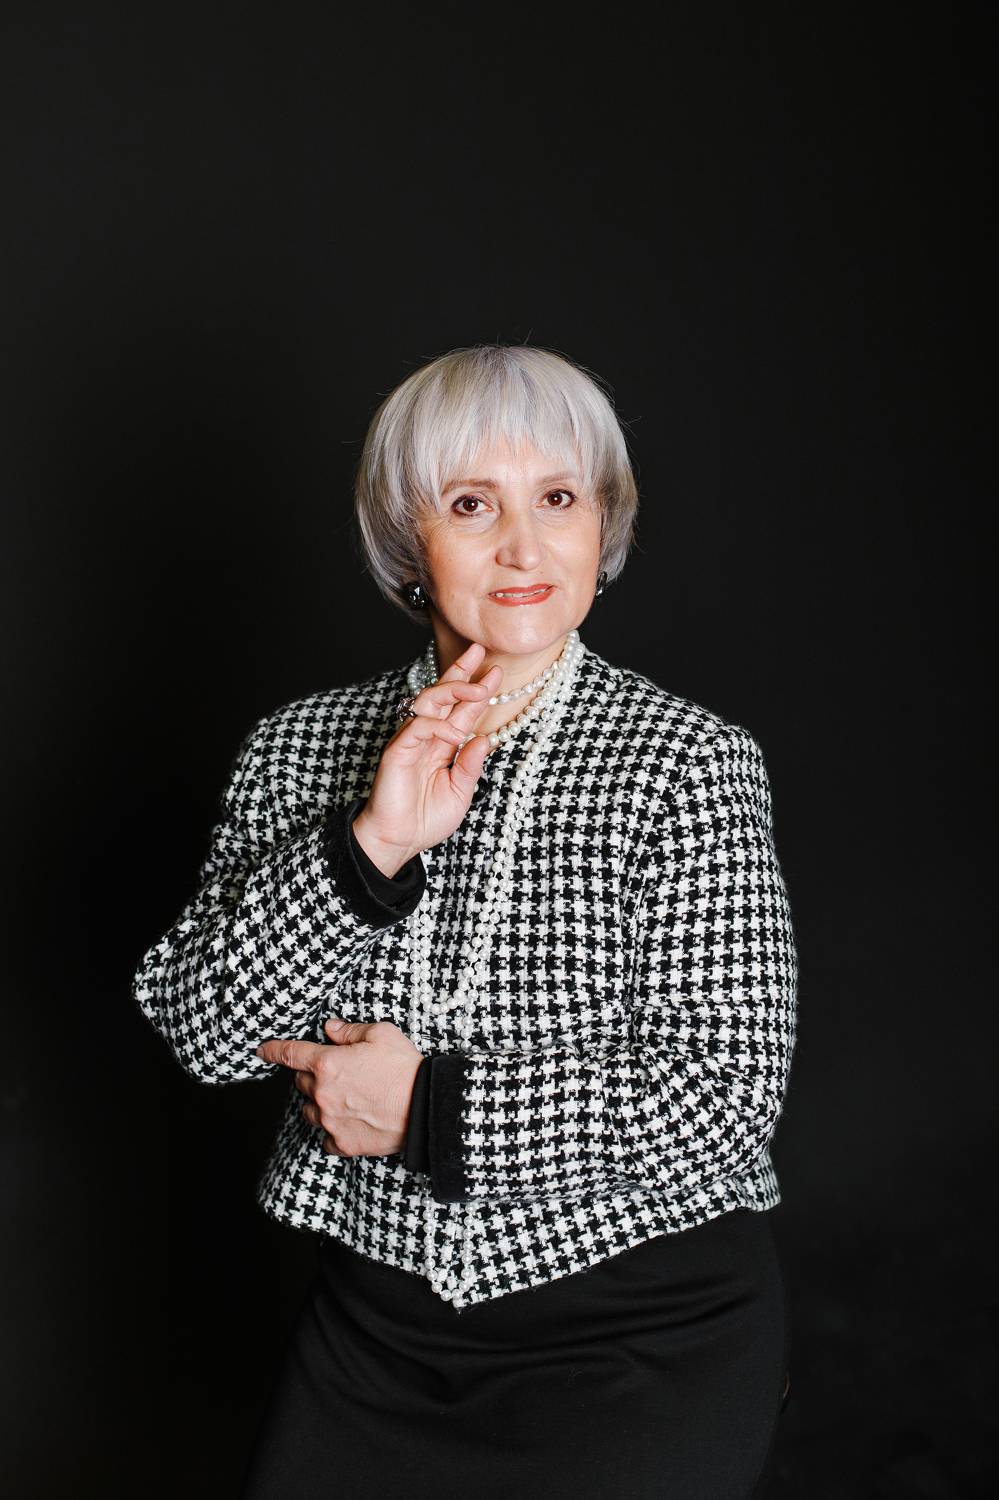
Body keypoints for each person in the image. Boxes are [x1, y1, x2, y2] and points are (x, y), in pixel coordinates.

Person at [132, 343, 798, 1499]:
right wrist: (369, 846)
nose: (524, 548)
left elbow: (724, 1103)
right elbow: (203, 1031)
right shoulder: (297, 747)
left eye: (559, 498)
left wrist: (431, 1110)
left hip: (641, 1336)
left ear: (604, 521)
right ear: (408, 536)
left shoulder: (687, 761)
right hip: (378, 1342)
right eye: (472, 504)